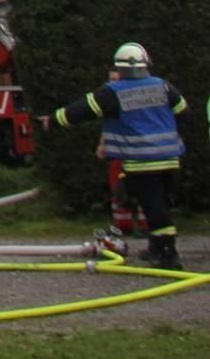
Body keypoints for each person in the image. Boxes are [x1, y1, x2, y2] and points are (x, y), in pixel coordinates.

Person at [41, 42, 189, 271]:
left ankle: (168, 254)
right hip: (169, 158)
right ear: (146, 63)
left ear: (119, 69)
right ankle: (156, 247)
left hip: (141, 161)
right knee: (158, 203)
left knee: (153, 205)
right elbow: (183, 111)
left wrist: (53, 119)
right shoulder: (163, 86)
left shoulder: (114, 91)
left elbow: (81, 110)